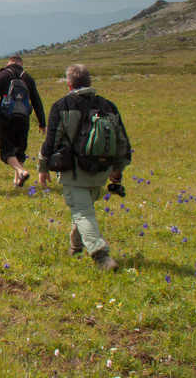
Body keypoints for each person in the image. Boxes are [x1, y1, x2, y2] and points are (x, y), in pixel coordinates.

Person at [37, 64, 131, 272]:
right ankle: (75, 247)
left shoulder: (61, 105)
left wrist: (42, 167)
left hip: (74, 170)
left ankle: (101, 255)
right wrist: (117, 169)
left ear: (69, 84)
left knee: (82, 212)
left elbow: (51, 142)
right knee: (83, 208)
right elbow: (123, 142)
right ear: (89, 82)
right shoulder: (108, 106)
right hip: (101, 171)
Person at [0, 54, 46, 188]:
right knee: (20, 150)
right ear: (21, 64)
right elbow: (36, 101)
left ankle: (21, 172)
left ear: (8, 63)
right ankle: (17, 181)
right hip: (23, 118)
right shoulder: (27, 78)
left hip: (6, 119)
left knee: (6, 151)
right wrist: (42, 122)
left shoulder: (1, 76)